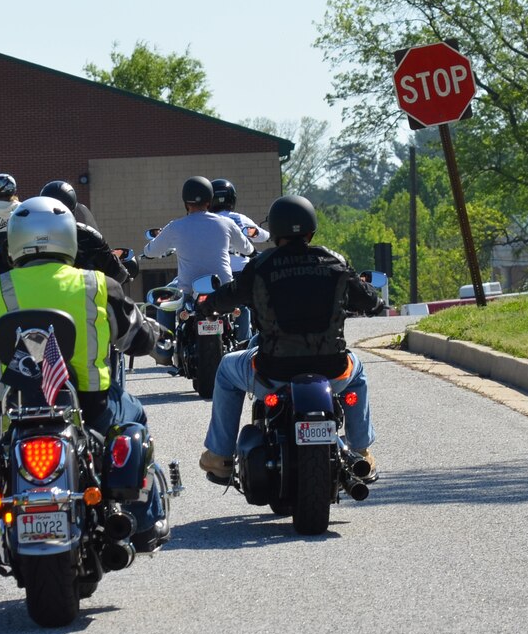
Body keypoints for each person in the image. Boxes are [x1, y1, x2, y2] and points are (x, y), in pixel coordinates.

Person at [0, 196, 168, 562]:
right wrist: (152, 337)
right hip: (92, 407)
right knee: (134, 420)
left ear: (14, 240)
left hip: (12, 412)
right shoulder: (98, 285)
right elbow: (138, 339)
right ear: (69, 238)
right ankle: (142, 523)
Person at [195, 195, 385, 483]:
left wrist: (206, 305)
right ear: (311, 230)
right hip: (332, 369)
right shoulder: (334, 262)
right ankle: (360, 451)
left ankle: (220, 457)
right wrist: (375, 304)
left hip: (273, 371)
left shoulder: (261, 267)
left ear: (276, 232)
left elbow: (228, 296)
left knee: (225, 369)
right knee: (357, 373)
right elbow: (369, 299)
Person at [142, 175, 255, 337]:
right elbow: (247, 248)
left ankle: (165, 344)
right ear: (210, 200)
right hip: (222, 286)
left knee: (164, 303)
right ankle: (243, 347)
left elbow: (151, 251)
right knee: (242, 308)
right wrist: (253, 252)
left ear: (186, 202)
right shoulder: (226, 223)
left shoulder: (176, 226)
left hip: (188, 289)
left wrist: (147, 253)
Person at [210, 178, 271, 342]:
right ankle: (246, 343)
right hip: (241, 273)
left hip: (212, 275)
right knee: (249, 303)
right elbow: (261, 235)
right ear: (232, 199)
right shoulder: (239, 219)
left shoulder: (207, 220)